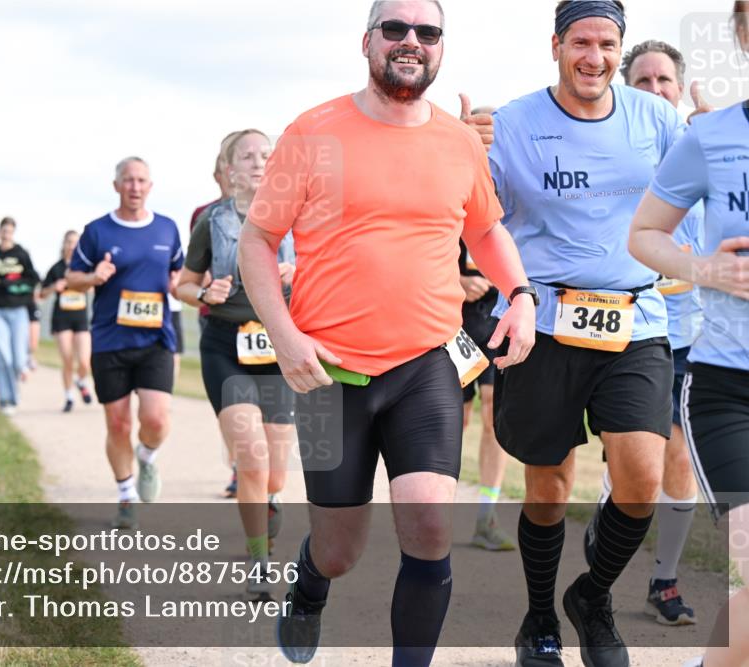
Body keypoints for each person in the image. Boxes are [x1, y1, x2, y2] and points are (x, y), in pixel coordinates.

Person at [239, 1, 536, 663]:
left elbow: (485, 230)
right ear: (367, 41)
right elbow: (257, 240)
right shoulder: (311, 132)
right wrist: (284, 335)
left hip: (426, 364)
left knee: (430, 525)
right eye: (395, 28)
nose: (411, 41)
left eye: (427, 32)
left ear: (440, 47)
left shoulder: (458, 140)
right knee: (338, 550)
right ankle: (310, 585)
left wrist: (520, 294)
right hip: (328, 372)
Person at [477, 3, 687, 665]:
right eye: (581, 42)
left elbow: (699, 191)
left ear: (619, 49)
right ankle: (540, 618)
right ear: (556, 46)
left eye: (607, 43)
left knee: (640, 482)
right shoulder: (512, 125)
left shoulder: (656, 118)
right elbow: (471, 214)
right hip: (544, 323)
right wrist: (457, 148)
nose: (594, 57)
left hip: (636, 321)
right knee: (549, 488)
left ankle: (591, 597)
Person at [630, 5, 749, 666]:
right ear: (742, 34)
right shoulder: (712, 138)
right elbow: (644, 234)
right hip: (731, 389)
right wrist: (705, 268)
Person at [579, 38, 706, 629]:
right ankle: (607, 536)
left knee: (676, 457)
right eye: (644, 82)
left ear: (679, 90)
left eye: (664, 81)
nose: (655, 91)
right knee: (632, 462)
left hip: (692, 338)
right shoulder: (609, 157)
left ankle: (665, 578)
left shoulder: (710, 151)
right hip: (620, 333)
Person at [178, 129, 297, 597]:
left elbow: (333, 268)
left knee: (275, 473)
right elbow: (183, 284)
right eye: (247, 156)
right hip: (225, 346)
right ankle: (259, 560)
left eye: (266, 153)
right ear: (229, 170)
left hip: (278, 346)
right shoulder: (212, 220)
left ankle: (270, 499)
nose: (259, 162)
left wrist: (299, 271)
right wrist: (205, 292)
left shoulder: (298, 214)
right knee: (251, 458)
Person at [66, 157, 184, 530]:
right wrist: (92, 277)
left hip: (156, 339)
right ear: (116, 185)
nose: (135, 187)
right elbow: (71, 278)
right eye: (128, 180)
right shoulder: (97, 231)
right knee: (118, 423)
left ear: (151, 186)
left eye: (141, 180)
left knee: (156, 420)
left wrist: (179, 284)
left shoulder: (167, 228)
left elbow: (179, 274)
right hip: (109, 340)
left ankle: (146, 456)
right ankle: (126, 494)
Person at [190, 132, 242, 499]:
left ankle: (258, 469)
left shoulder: (269, 210)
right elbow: (195, 266)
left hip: (261, 325)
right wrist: (208, 287)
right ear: (219, 175)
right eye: (225, 170)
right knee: (230, 403)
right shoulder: (204, 214)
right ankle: (239, 465)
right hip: (215, 315)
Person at [458, 233, 515, 552]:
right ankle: (433, 511)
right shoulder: (453, 201)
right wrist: (456, 281)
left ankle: (486, 516)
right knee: (456, 418)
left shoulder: (513, 205)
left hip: (498, 321)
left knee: (495, 414)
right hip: (455, 324)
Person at [0, 217, 41, 415]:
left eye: (10, 231)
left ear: (13, 233)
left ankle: (14, 391)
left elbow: (33, 278)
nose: (6, 234)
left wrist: (13, 285)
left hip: (18, 309)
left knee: (18, 359)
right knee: (1, 356)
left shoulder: (21, 253)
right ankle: (6, 398)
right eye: (3, 231)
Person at [40, 230, 94, 412]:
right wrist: (54, 287)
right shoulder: (56, 268)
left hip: (80, 318)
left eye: (75, 242)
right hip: (62, 318)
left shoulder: (84, 267)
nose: (72, 246)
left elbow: (94, 286)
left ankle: (81, 381)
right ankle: (69, 396)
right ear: (63, 244)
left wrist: (85, 284)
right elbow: (42, 293)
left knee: (85, 361)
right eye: (69, 242)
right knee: (67, 359)